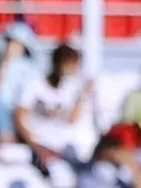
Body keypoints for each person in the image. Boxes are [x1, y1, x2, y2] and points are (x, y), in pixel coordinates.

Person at [14, 43, 93, 173]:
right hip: (40, 145)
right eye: (68, 64)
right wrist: (35, 146)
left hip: (65, 148)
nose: (72, 69)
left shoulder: (73, 88)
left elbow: (72, 119)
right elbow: (18, 117)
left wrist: (83, 97)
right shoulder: (35, 85)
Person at [0, 22, 38, 110]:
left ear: (24, 47)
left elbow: (27, 98)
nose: (10, 47)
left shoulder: (29, 70)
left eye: (15, 43)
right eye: (8, 42)